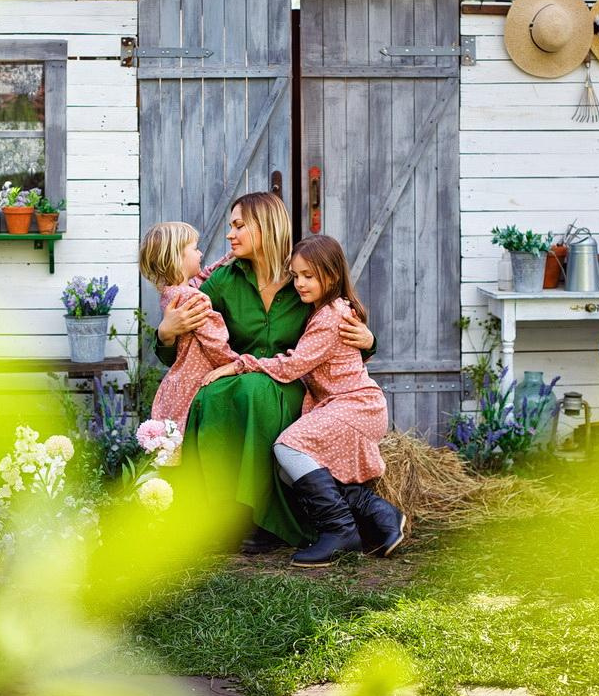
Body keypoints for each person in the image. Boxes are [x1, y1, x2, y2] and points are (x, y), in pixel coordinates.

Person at [154, 192, 375, 550]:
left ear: (265, 227)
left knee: (254, 391)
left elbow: (337, 332)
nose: (230, 234)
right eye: (231, 226)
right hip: (233, 380)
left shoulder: (302, 276)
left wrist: (368, 341)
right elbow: (182, 352)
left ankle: (263, 519)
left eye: (239, 225)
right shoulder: (224, 280)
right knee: (210, 394)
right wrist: (166, 332)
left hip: (289, 384)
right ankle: (217, 515)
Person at [203, 234, 405, 567]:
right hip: (342, 405)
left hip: (355, 406)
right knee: (289, 471)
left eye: (308, 276)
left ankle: (340, 530)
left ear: (332, 275)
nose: (299, 283)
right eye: (295, 275)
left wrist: (239, 364)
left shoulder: (330, 317)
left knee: (288, 448)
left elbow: (293, 365)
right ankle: (380, 513)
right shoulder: (326, 311)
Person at [139, 221, 235, 436]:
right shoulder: (194, 299)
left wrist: (227, 258)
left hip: (178, 380)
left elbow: (203, 275)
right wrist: (238, 365)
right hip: (195, 380)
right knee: (188, 438)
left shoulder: (172, 292)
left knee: (171, 441)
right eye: (195, 248)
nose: (200, 253)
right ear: (177, 257)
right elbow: (215, 343)